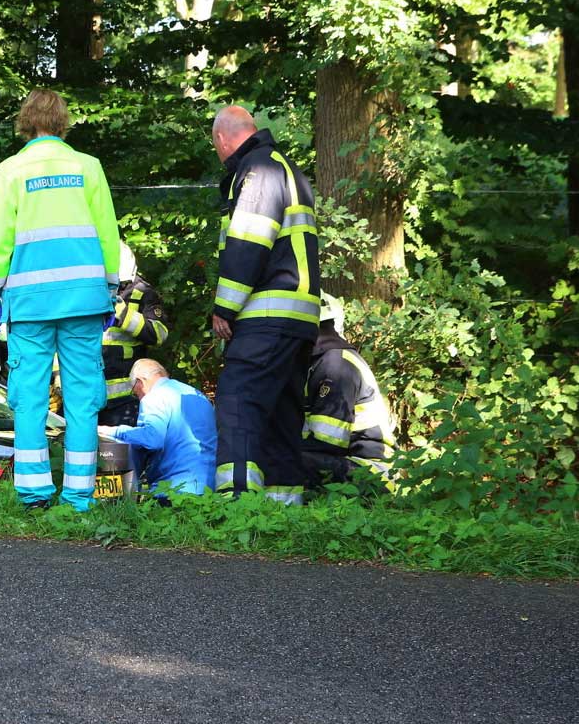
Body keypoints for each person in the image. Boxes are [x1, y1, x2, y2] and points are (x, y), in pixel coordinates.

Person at [0, 89, 119, 511]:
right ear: (63, 121)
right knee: (83, 398)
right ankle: (78, 496)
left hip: (30, 303)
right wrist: (110, 292)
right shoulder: (88, 167)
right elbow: (107, 235)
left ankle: (35, 493)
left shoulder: (10, 171)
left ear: (25, 121)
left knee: (29, 397)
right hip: (83, 301)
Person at [208, 105, 321, 504]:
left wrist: (225, 308)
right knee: (281, 412)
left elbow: (249, 242)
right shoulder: (285, 168)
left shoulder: (257, 170)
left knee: (238, 400)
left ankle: (235, 501)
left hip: (267, 313)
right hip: (299, 319)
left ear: (222, 139)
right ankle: (283, 503)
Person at [302, 294, 396, 490]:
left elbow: (328, 442)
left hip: (371, 473)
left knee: (284, 460)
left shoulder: (335, 364)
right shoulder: (318, 361)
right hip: (350, 464)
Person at [100, 358, 216, 495]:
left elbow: (152, 439)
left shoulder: (154, 397)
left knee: (123, 444)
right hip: (209, 488)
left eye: (135, 392)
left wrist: (112, 432)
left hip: (174, 491)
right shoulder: (196, 395)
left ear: (140, 382)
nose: (138, 397)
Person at [99, 241, 170, 428]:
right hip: (85, 395)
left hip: (126, 399)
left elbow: (160, 334)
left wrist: (124, 316)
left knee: (120, 454)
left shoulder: (142, 292)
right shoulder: (87, 291)